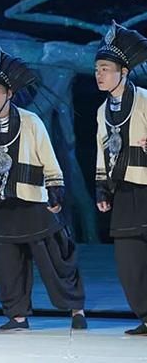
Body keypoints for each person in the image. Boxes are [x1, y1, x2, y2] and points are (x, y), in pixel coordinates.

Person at [0, 49, 87, 331]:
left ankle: (76, 309)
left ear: (9, 93)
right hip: (1, 206)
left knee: (55, 260)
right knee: (5, 265)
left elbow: (49, 161)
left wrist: (55, 190)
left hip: (33, 202)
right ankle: (18, 315)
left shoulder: (30, 121)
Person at [93, 21, 147, 336]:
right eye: (96, 69)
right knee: (129, 263)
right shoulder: (103, 110)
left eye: (105, 69)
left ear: (123, 72)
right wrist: (103, 188)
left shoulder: (144, 100)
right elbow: (102, 150)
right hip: (125, 192)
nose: (98, 74)